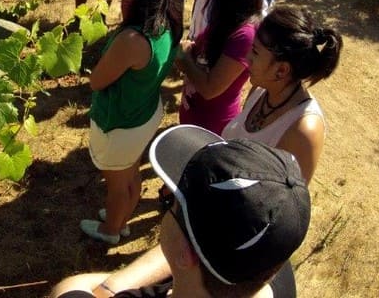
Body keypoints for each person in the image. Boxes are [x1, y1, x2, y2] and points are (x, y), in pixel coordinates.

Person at [51, 125, 311, 298]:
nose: (167, 205)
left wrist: (108, 286)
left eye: (170, 203)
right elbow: (194, 247)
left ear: (186, 255)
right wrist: (116, 285)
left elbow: (71, 288)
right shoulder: (266, 257)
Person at [81, 0, 183, 245]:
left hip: (120, 123)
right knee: (130, 177)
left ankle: (110, 230)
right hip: (145, 113)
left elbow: (96, 82)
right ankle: (121, 220)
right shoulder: (170, 16)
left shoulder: (132, 39)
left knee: (116, 185)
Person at [222, 6, 342, 183]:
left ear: (281, 70)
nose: (247, 57)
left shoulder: (304, 131)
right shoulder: (261, 91)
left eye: (255, 52)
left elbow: (285, 204)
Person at [176, 0, 262, 134]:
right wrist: (193, 49)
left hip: (212, 127)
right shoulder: (227, 18)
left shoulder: (245, 35)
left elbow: (210, 88)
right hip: (195, 117)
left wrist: (185, 60)